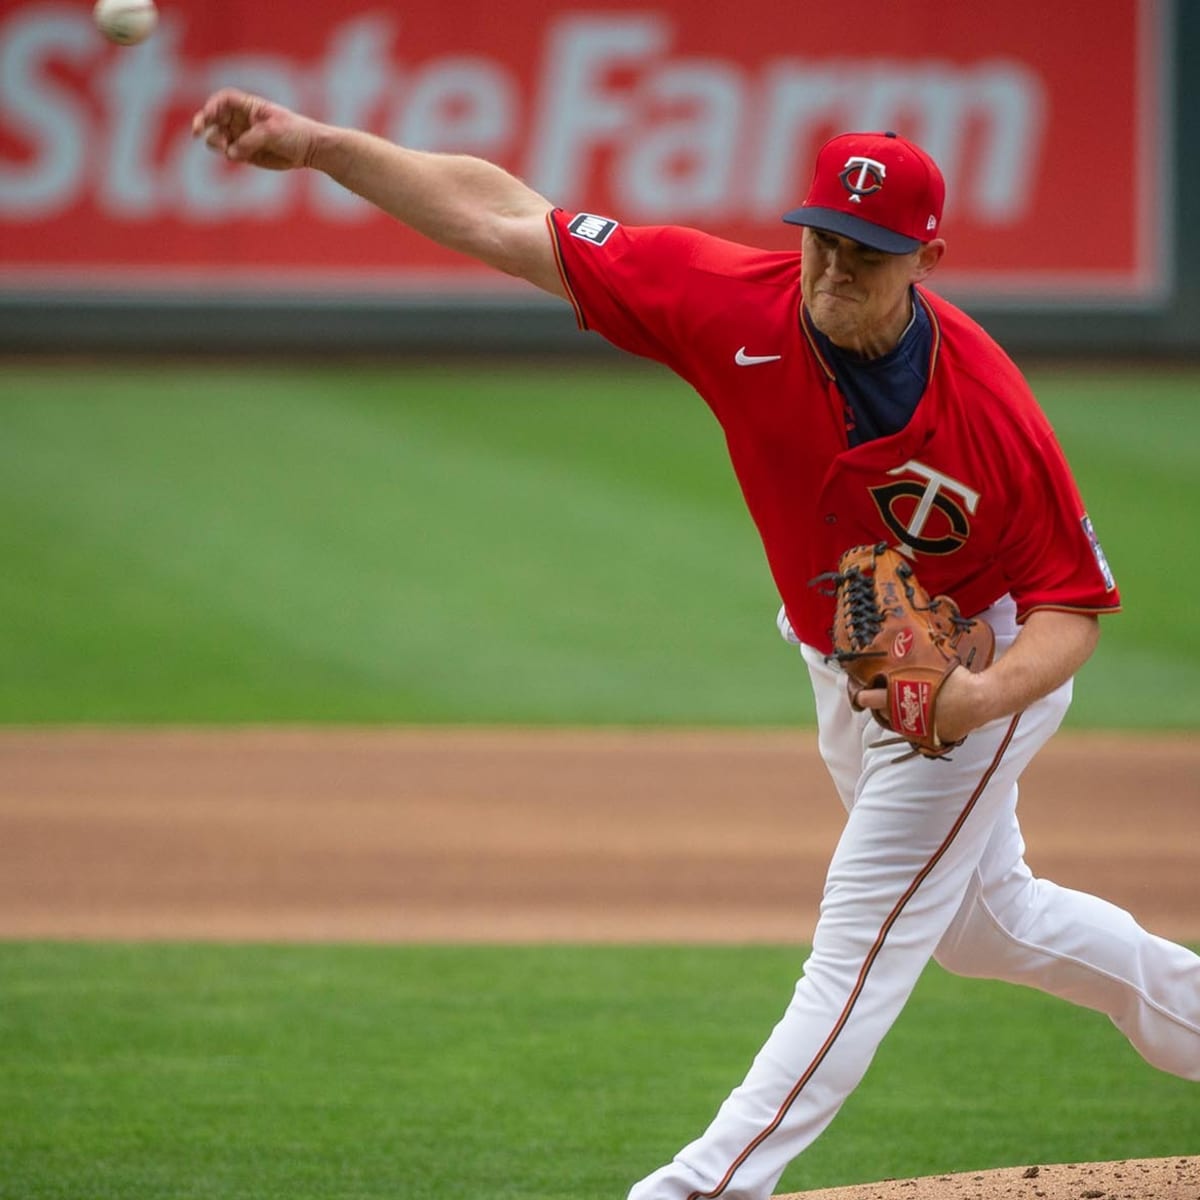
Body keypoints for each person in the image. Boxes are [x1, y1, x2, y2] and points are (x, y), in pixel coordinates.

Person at [192, 91, 1200, 1199]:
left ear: (926, 257)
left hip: (970, 667)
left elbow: (1071, 606)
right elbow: (504, 219)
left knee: (858, 946)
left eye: (866, 252)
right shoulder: (727, 298)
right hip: (845, 657)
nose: (834, 268)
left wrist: (977, 701)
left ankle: (700, 1188)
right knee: (981, 922)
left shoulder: (992, 413)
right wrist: (324, 147)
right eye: (822, 237)